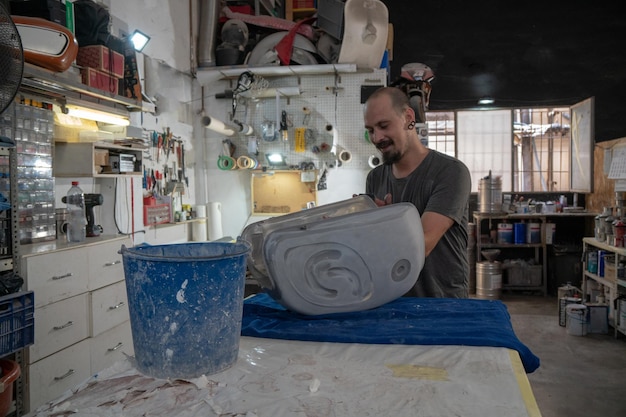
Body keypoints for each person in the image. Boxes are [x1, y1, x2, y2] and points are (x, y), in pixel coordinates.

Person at [363, 86, 471, 298]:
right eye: (370, 130)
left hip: (442, 304)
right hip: (392, 300)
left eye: (384, 126)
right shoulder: (375, 178)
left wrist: (383, 226)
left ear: (408, 117)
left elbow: (422, 244)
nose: (377, 138)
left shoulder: (450, 172)